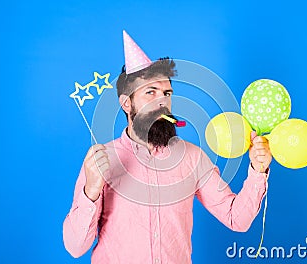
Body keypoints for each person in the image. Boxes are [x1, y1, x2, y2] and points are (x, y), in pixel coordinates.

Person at [63, 31, 272, 264]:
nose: (162, 101)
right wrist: (91, 190)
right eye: (150, 92)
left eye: (166, 93)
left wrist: (258, 170)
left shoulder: (192, 157)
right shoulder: (103, 160)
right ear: (126, 103)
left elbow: (237, 219)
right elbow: (75, 247)